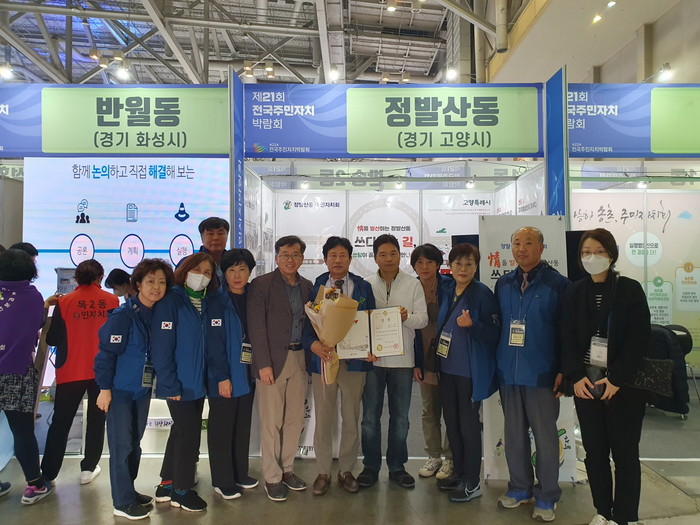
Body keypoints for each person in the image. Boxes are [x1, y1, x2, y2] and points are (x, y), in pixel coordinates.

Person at [561, 229, 650, 525]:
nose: (592, 257)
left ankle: (625, 517)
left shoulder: (629, 290)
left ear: (611, 255)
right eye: (586, 252)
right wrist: (575, 377)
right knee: (595, 453)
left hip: (623, 386)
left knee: (625, 454)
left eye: (599, 251)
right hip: (587, 385)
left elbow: (639, 339)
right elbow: (567, 337)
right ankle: (602, 511)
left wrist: (617, 379)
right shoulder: (574, 291)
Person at [494, 226, 569, 522]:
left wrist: (563, 369)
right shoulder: (503, 284)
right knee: (514, 436)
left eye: (528, 243)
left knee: (546, 438)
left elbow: (567, 332)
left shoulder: (558, 284)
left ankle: (547, 495)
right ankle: (519, 488)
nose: (521, 248)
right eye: (516, 243)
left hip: (542, 374)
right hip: (509, 373)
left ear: (541, 248)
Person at [94, 259, 174, 520]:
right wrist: (104, 388)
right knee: (122, 446)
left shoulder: (158, 314)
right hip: (119, 391)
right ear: (138, 284)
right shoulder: (123, 316)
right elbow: (105, 354)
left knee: (134, 444)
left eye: (161, 282)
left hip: (142, 390)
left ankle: (128, 489)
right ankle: (122, 502)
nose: (156, 287)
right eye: (150, 281)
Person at [301, 236, 376, 496]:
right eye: (332, 255)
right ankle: (323, 471)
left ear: (350, 259)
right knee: (324, 418)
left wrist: (371, 348)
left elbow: (371, 321)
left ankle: (346, 470)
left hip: (355, 363)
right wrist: (314, 346)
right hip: (324, 359)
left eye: (343, 255)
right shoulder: (316, 287)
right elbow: (306, 324)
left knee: (351, 418)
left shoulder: (363, 287)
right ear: (325, 259)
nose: (337, 260)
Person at [151, 252, 220, 512]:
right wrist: (170, 384)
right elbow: (162, 348)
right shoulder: (172, 300)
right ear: (185, 269)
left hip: (197, 382)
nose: (202, 276)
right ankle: (181, 490)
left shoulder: (205, 301)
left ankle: (167, 483)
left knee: (181, 430)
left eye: (207, 272)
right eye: (197, 270)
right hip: (179, 383)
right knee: (189, 433)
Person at [358, 234, 428, 489]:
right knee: (369, 418)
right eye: (383, 254)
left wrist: (407, 317)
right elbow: (359, 321)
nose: (388, 259)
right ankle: (370, 466)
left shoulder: (413, 284)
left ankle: (397, 467)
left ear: (400, 255)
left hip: (402, 361)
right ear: (375, 257)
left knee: (400, 418)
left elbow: (423, 320)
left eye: (393, 253)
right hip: (373, 362)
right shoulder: (365, 284)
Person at [42, 259, 119, 485]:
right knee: (97, 419)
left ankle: (48, 474)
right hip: (102, 371)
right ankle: (88, 468)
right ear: (100, 278)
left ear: (76, 278)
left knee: (60, 422)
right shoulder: (112, 301)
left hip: (70, 369)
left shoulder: (64, 302)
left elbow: (52, 338)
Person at [248, 235, 312, 502]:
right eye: (285, 254)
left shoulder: (308, 286)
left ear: (302, 258)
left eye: (295, 254)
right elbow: (256, 327)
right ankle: (272, 477)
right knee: (271, 421)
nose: (290, 259)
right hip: (272, 362)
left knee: (295, 419)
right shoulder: (261, 285)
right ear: (276, 258)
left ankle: (287, 469)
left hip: (300, 359)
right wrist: (263, 364)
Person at [433, 244, 499, 503]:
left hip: (469, 371)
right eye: (458, 263)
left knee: (468, 425)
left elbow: (494, 332)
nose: (463, 269)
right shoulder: (449, 289)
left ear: (476, 266)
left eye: (469, 264)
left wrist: (472, 326)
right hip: (446, 368)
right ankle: (459, 474)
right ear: (450, 266)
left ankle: (472, 482)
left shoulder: (482, 294)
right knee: (452, 423)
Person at [0, 249, 52, 504]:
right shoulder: (32, 296)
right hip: (17, 371)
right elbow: (37, 323)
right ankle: (35, 484)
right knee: (22, 431)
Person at [206, 248, 258, 500]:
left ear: (250, 272)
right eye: (231, 270)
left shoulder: (254, 298)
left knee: (242, 425)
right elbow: (213, 344)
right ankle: (222, 479)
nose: (237, 276)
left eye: (242, 269)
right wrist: (222, 377)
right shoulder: (216, 301)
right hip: (224, 375)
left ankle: (240, 473)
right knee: (222, 428)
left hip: (248, 373)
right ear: (223, 273)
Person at [411, 243, 454, 480]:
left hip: (450, 358)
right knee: (429, 410)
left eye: (430, 262)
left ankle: (450, 458)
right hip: (425, 358)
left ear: (438, 264)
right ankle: (434, 456)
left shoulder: (450, 286)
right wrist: (415, 362)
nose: (425, 267)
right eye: (420, 262)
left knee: (451, 409)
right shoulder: (411, 288)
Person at [198, 217, 230, 282]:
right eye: (210, 234)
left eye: (220, 233)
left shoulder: (233, 261)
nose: (216, 238)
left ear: (227, 236)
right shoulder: (190, 263)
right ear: (202, 238)